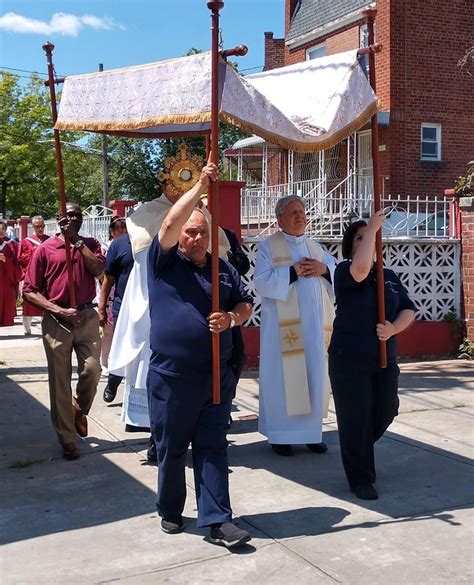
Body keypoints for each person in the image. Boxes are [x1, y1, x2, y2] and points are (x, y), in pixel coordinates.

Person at [147, 162, 253, 549]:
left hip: (214, 375)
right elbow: (169, 225)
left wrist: (230, 319)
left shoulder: (222, 269)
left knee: (212, 447)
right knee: (172, 449)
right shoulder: (162, 263)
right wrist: (201, 188)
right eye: (191, 232)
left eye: (203, 232)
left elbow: (245, 306)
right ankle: (170, 509)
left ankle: (218, 519)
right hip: (172, 377)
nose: (196, 238)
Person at [107, 180, 231, 463]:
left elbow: (219, 250)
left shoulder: (202, 213)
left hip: (196, 300)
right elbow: (146, 248)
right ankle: (157, 437)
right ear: (166, 183)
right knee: (156, 374)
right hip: (157, 299)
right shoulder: (147, 212)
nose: (183, 191)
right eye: (178, 182)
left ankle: (194, 433)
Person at [328, 211, 416, 500]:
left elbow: (408, 309)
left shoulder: (389, 277)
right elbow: (361, 270)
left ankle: (359, 446)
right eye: (361, 238)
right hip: (350, 358)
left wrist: (393, 329)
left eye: (373, 238)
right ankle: (361, 477)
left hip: (384, 359)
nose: (369, 240)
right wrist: (373, 228)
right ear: (351, 245)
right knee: (356, 418)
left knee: (386, 410)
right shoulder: (344, 271)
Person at [254, 195, 335, 456]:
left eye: (302, 211)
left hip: (314, 329)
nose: (300, 216)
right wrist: (292, 272)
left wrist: (323, 268)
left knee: (313, 377)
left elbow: (335, 275)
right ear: (279, 219)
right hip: (284, 332)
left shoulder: (315, 247)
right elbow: (262, 283)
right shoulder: (268, 247)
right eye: (293, 212)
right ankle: (281, 436)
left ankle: (312, 434)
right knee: (283, 381)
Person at [23, 202, 105, 460]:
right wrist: (58, 311)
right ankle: (67, 438)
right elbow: (29, 290)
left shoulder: (90, 244)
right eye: (67, 215)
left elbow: (100, 271)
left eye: (77, 216)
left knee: (92, 370)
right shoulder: (45, 249)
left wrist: (77, 242)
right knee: (60, 381)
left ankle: (79, 410)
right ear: (58, 219)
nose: (72, 219)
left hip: (86, 316)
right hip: (57, 319)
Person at [98, 217, 132, 403]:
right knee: (121, 347)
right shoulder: (118, 246)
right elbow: (107, 280)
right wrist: (102, 308)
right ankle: (113, 381)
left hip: (149, 306)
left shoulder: (155, 242)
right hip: (122, 305)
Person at [17, 216, 49, 335]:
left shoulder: (49, 240)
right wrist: (34, 253)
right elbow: (20, 258)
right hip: (31, 276)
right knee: (29, 303)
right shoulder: (26, 242)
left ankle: (45, 327)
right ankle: (27, 328)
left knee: (45, 301)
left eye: (42, 226)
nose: (40, 228)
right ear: (33, 227)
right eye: (37, 226)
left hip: (45, 276)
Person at [0, 220, 20, 327]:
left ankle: (6, 320)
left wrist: (6, 260)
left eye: (3, 229)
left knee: (7, 297)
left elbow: (16, 262)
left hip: (7, 277)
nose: (1, 232)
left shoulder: (11, 244)